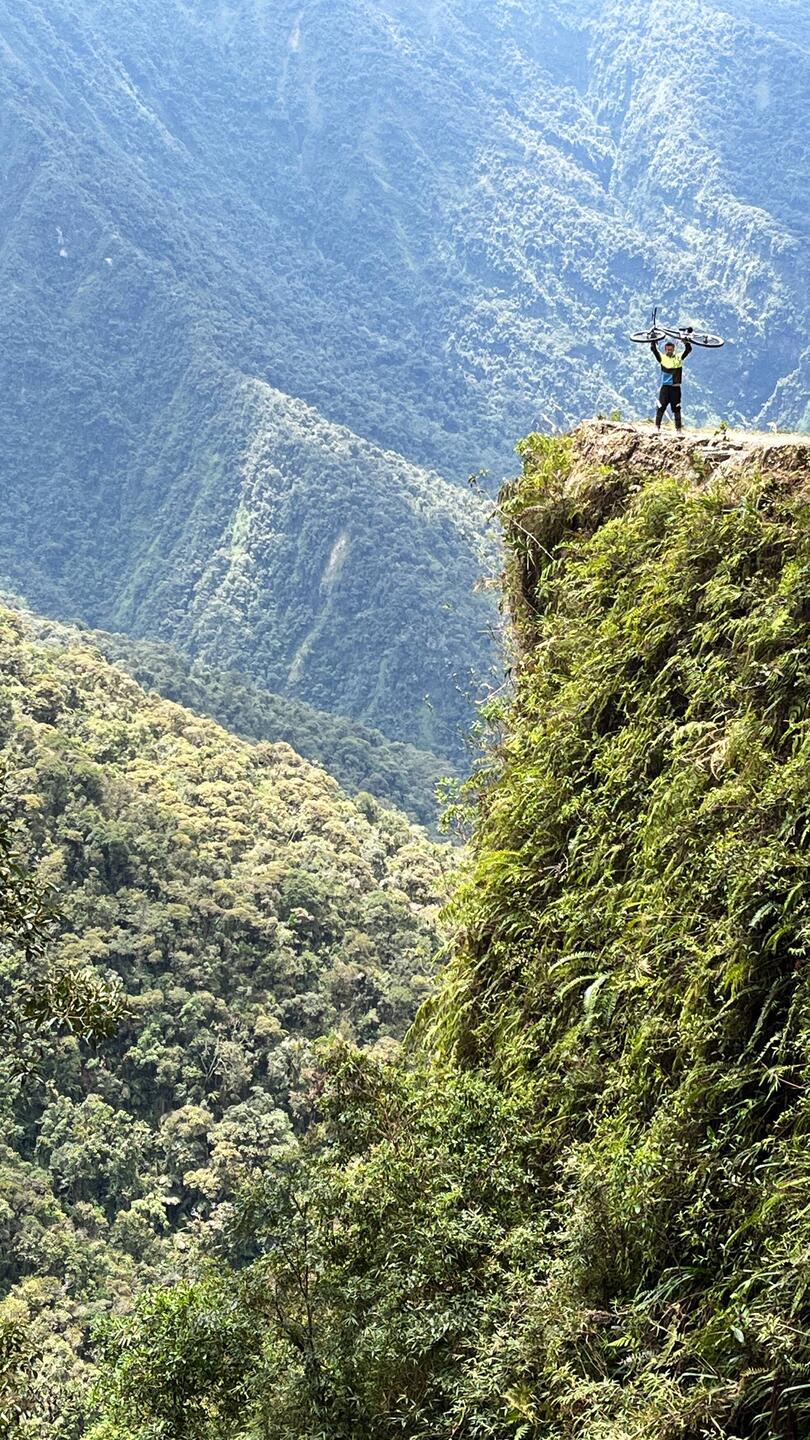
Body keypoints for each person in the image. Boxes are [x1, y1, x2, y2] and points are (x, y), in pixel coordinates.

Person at [651, 334, 692, 432]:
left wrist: (686, 342)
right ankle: (657, 427)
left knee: (676, 408)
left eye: (671, 349)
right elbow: (654, 350)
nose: (669, 351)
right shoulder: (662, 358)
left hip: (675, 387)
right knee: (661, 407)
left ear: (674, 349)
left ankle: (678, 430)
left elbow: (688, 350)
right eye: (667, 349)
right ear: (665, 350)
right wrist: (653, 340)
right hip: (665, 387)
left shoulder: (679, 357)